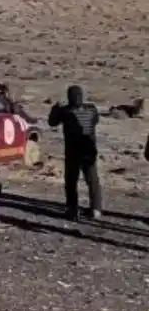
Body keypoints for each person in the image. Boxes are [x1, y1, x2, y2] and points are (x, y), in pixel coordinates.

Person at [48, 85, 102, 220]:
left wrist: (55, 109)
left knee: (71, 181)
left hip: (73, 151)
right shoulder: (92, 109)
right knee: (93, 181)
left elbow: (52, 122)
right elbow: (95, 121)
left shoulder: (66, 112)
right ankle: (96, 209)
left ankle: (72, 209)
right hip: (89, 151)